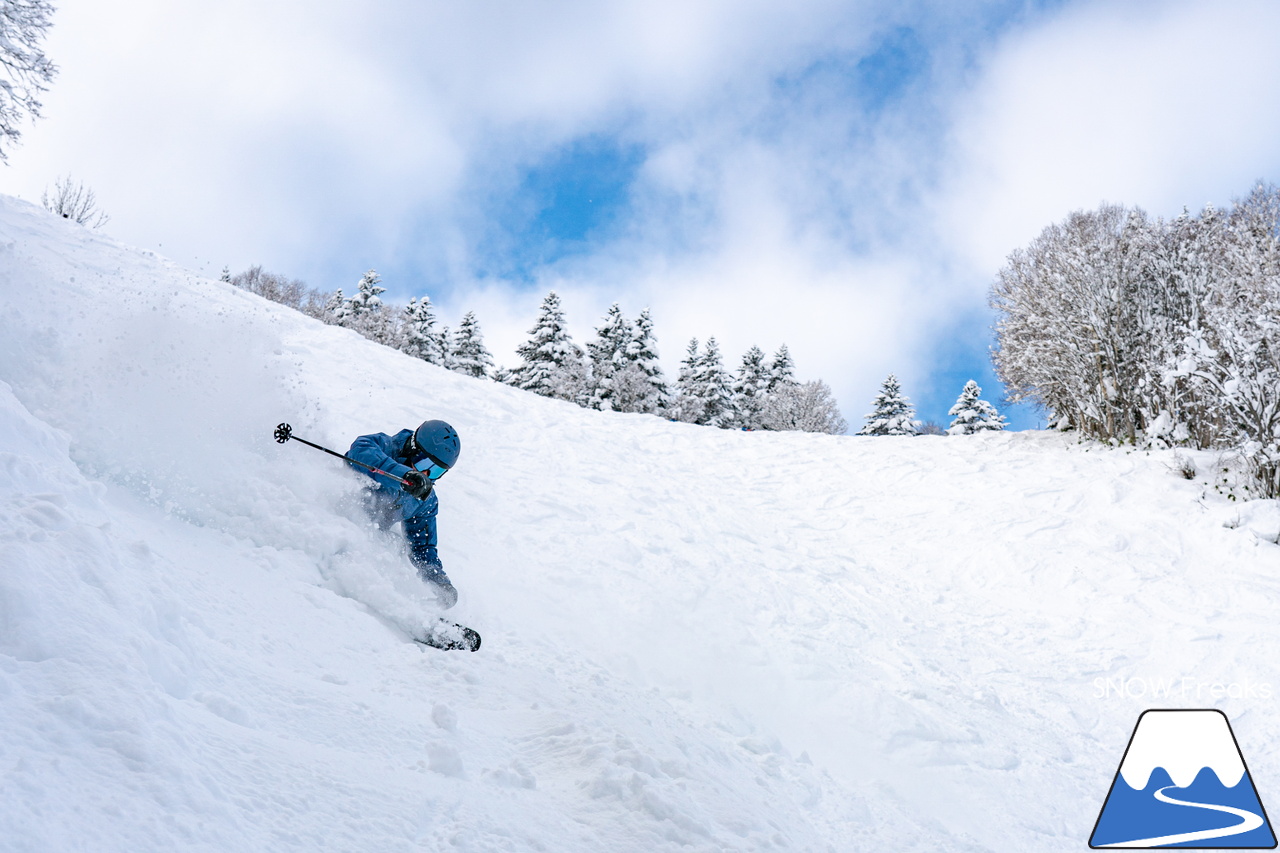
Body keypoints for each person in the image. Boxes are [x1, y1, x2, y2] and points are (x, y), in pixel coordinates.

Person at [347, 419, 461, 608]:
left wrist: (439, 580)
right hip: (334, 518)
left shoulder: (424, 499)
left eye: (436, 471)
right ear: (412, 447)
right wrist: (403, 476)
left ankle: (406, 607)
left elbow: (422, 547)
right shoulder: (385, 447)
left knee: (396, 546)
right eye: (424, 462)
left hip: (366, 539)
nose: (425, 473)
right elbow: (360, 450)